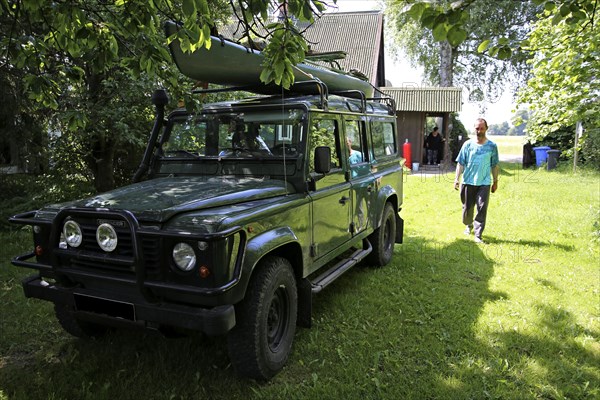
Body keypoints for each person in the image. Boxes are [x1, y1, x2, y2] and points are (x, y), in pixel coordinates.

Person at [453, 118, 499, 243]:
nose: (479, 131)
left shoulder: (492, 146)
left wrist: (495, 181)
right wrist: (456, 179)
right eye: (477, 128)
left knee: (482, 208)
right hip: (468, 181)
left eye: (482, 128)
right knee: (467, 208)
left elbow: (494, 165)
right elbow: (460, 163)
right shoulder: (467, 145)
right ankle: (468, 225)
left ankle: (478, 235)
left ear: (486, 129)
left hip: (484, 182)